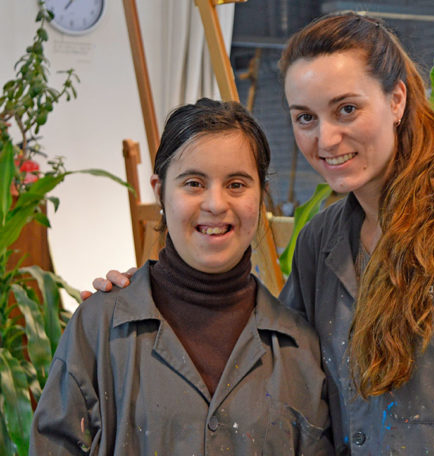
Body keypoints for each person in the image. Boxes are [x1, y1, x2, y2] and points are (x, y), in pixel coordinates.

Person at [89, 13, 434, 455]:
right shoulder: (320, 243)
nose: (325, 139)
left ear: (396, 99)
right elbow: (273, 365)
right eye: (305, 117)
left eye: (346, 109)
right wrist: (151, 295)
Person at [30, 98, 332, 455]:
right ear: (160, 191)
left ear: (261, 195)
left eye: (236, 184)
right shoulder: (98, 328)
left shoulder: (298, 347)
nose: (216, 204)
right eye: (193, 183)